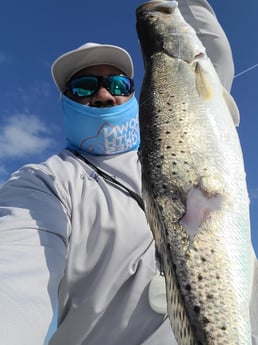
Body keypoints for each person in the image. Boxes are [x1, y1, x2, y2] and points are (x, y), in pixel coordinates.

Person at [0, 1, 257, 344]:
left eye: (118, 85)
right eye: (84, 86)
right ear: (65, 100)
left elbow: (214, 55)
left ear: (136, 93)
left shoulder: (187, 126)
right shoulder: (44, 183)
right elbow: (12, 279)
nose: (104, 94)